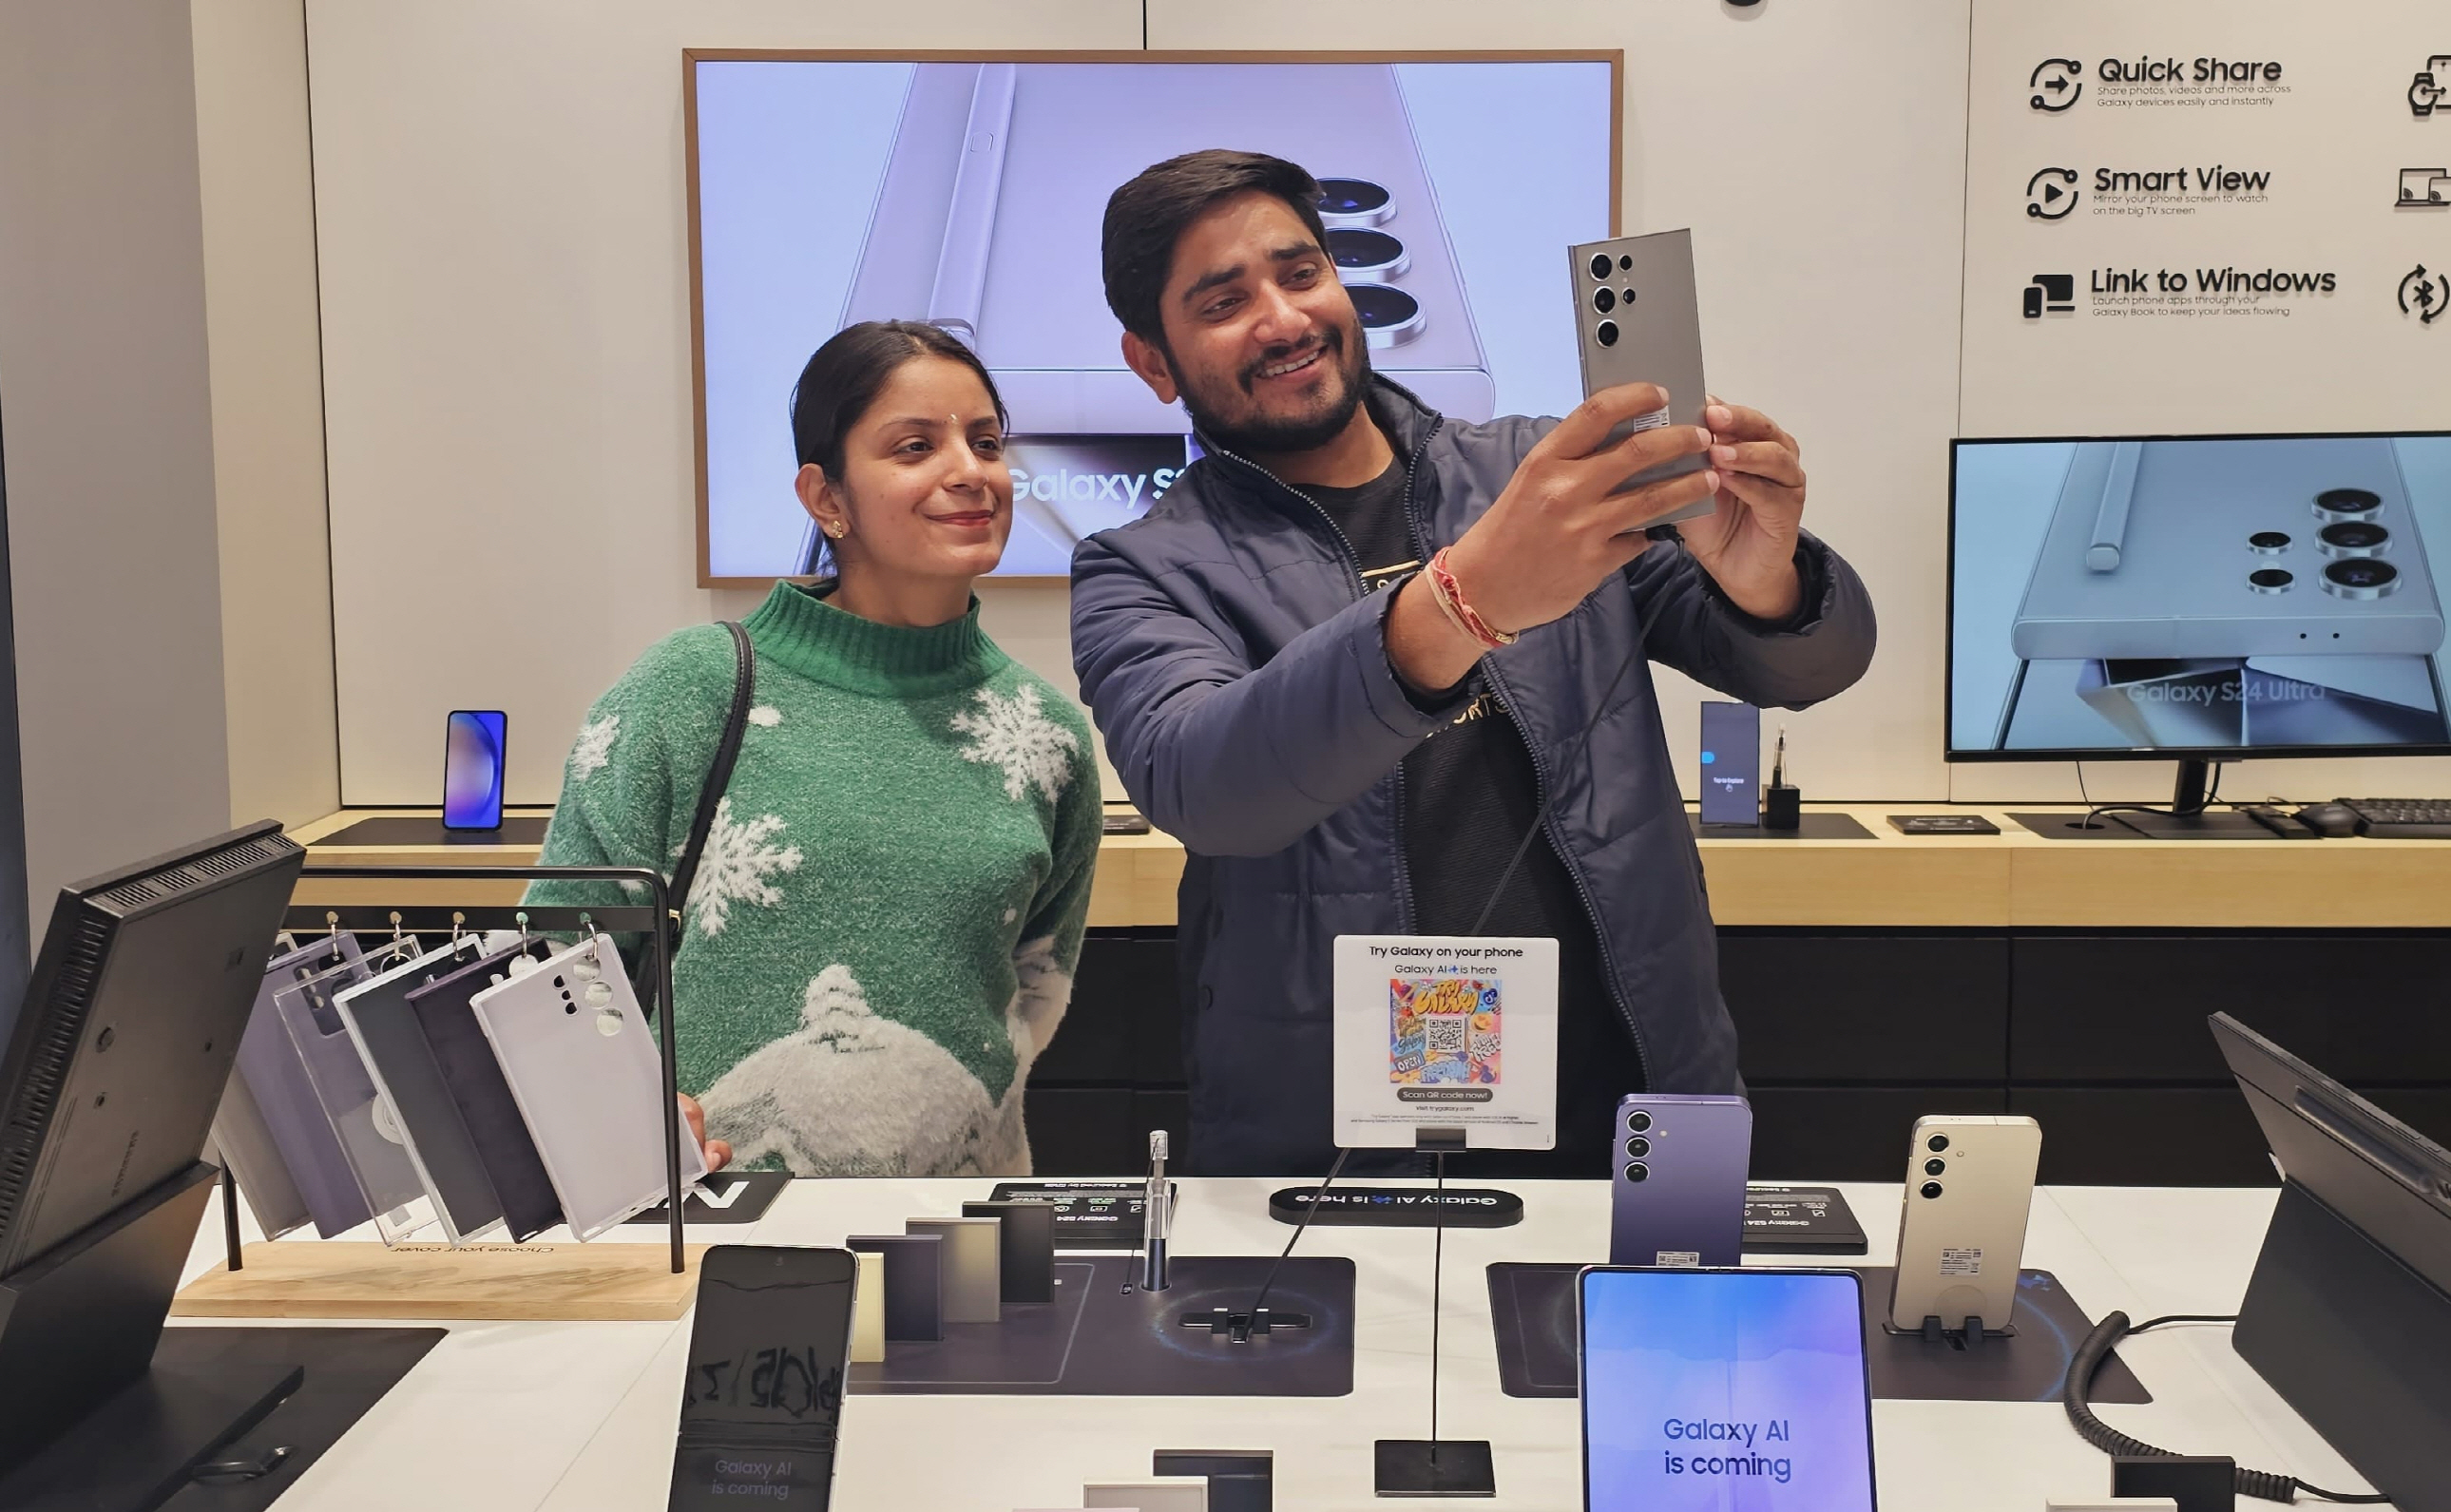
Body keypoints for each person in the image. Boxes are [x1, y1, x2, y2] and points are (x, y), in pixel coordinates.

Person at [1071, 150, 1876, 1177]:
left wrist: (1767, 581)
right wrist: (1459, 603)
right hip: (1335, 1148)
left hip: (1639, 1100)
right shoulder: (1142, 567)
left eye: (1302, 273)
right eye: (1224, 302)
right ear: (1153, 361)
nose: (1282, 319)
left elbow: (1801, 669)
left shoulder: (1536, 478)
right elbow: (1207, 787)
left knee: (1671, 1297)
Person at [527, 320, 1101, 1177]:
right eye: (915, 446)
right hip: (711, 1214)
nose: (970, 471)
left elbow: (1034, 990)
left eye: (985, 442)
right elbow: (556, 959)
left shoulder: (1046, 731)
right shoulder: (687, 690)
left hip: (962, 1223)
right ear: (826, 497)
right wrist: (621, 1109)